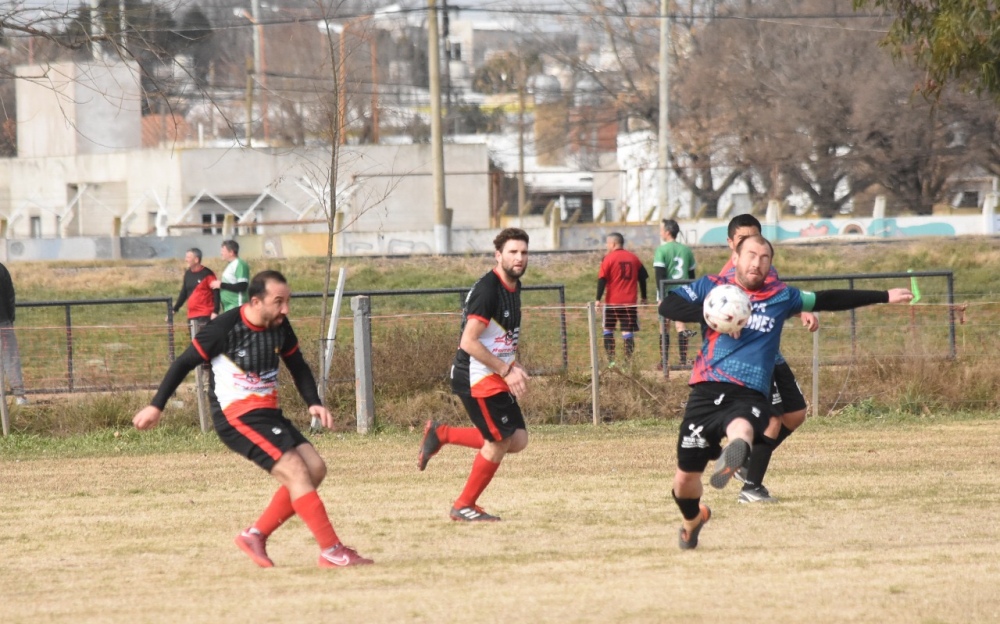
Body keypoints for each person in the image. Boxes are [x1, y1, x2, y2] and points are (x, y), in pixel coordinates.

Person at [659, 234, 912, 549]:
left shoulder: (781, 296)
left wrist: (884, 295)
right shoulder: (712, 287)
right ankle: (693, 519)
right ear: (735, 257)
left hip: (750, 390)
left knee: (743, 426)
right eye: (751, 255)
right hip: (705, 390)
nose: (757, 263)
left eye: (765, 258)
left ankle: (736, 453)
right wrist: (709, 315)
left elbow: (827, 298)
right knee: (684, 481)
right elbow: (668, 303)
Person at [133, 270, 373, 568]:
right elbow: (183, 363)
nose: (285, 309)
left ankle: (254, 536)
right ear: (256, 301)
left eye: (288, 301)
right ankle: (332, 551)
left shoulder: (279, 326)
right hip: (237, 417)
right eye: (279, 301)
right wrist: (156, 406)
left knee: (315, 468)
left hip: (268, 414)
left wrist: (313, 402)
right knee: (297, 471)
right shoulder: (224, 328)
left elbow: (297, 365)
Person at [416, 228, 532, 522]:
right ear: (498, 255)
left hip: (495, 373)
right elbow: (468, 342)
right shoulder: (487, 291)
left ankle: (442, 434)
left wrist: (512, 364)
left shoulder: (513, 286)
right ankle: (464, 505)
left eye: (524, 252)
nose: (519, 258)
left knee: (517, 440)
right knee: (498, 442)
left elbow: (499, 336)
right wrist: (505, 369)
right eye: (513, 252)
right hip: (476, 376)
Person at [722, 214, 817, 504]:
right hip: (751, 359)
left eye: (755, 239)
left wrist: (802, 310)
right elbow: (712, 313)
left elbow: (778, 296)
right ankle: (751, 487)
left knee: (796, 413)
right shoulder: (728, 278)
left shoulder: (765, 268)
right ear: (732, 244)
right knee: (772, 419)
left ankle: (746, 462)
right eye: (742, 240)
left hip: (772, 354)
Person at [597, 232, 649, 365]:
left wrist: (598, 299)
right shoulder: (634, 258)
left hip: (612, 302)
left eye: (607, 243)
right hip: (629, 303)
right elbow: (643, 277)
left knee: (608, 330)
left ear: (613, 244)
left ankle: (611, 362)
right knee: (627, 332)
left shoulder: (608, 258)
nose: (606, 246)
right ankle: (627, 364)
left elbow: (602, 280)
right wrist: (644, 297)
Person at [653, 219, 698, 367]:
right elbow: (692, 276)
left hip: (667, 293)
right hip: (684, 293)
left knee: (664, 326)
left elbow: (659, 275)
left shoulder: (661, 250)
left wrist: (661, 296)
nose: (660, 233)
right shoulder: (686, 250)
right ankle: (683, 360)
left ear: (667, 232)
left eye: (661, 230)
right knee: (681, 326)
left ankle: (664, 361)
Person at [0, 261, 28, 405]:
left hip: (4, 321)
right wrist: (10, 318)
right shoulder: (1, 268)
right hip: (3, 322)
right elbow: (10, 295)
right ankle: (19, 396)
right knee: (10, 358)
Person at [172, 248, 218, 327]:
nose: (186, 260)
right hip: (192, 315)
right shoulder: (188, 273)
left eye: (188, 257)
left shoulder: (207, 274)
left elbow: (216, 293)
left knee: (203, 338)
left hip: (205, 314)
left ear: (196, 259)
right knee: (193, 339)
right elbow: (184, 293)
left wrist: (215, 311)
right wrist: (174, 309)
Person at [210, 240, 250, 315]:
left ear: (231, 252)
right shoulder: (230, 265)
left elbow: (242, 286)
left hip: (237, 307)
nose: (221, 253)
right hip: (229, 308)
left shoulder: (240, 264)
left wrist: (221, 285)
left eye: (223, 251)